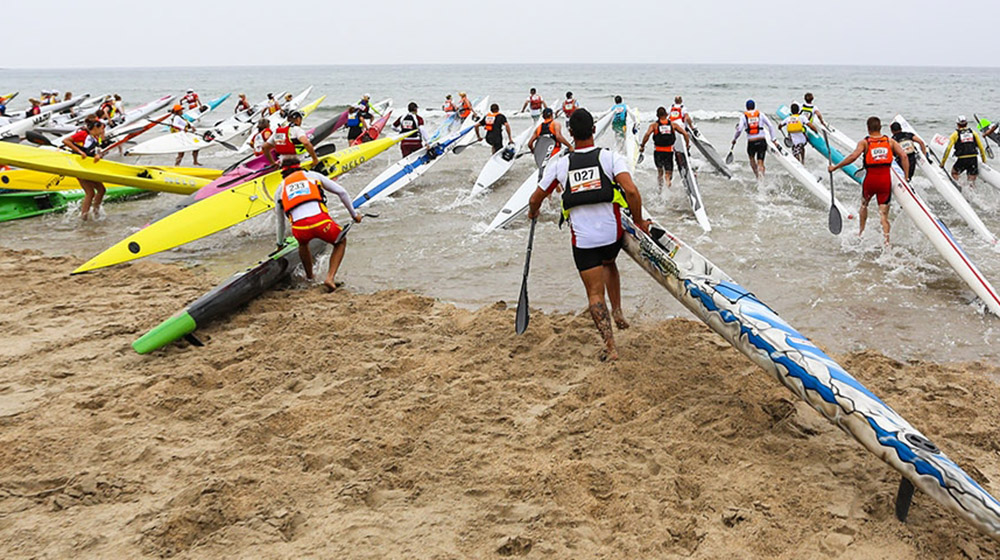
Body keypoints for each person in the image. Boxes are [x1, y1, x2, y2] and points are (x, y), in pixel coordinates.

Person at [527, 108, 649, 361]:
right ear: (594, 130)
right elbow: (632, 192)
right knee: (609, 263)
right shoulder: (610, 158)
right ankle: (618, 311)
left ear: (570, 133)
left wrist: (533, 213)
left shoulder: (560, 164)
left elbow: (536, 198)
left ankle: (611, 347)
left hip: (584, 243)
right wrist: (639, 222)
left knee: (595, 293)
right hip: (611, 238)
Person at [273, 157, 362, 292]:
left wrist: (279, 244)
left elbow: (280, 221)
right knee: (340, 242)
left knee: (303, 244)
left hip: (300, 228)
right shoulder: (312, 176)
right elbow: (341, 192)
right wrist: (354, 215)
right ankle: (330, 278)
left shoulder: (280, 189)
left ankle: (310, 277)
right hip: (321, 222)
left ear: (283, 173)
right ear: (300, 167)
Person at [829, 117, 908, 246]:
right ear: (880, 127)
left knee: (864, 205)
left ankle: (861, 231)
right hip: (884, 182)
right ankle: (887, 242)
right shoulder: (890, 141)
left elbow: (853, 157)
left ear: (868, 128)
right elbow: (904, 156)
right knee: (883, 214)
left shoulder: (865, 143)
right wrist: (905, 177)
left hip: (870, 181)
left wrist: (835, 167)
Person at [62, 120, 107, 220]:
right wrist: (79, 151)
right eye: (101, 129)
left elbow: (95, 150)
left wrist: (98, 155)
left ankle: (95, 213)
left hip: (88, 167)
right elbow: (65, 141)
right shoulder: (83, 134)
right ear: (95, 127)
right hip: (79, 167)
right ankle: (85, 217)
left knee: (101, 190)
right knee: (90, 192)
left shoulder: (95, 137)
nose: (102, 131)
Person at [639, 106, 690, 187]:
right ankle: (668, 186)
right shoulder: (673, 125)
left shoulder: (654, 125)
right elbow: (685, 134)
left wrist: (642, 146)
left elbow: (647, 135)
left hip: (658, 152)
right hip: (668, 152)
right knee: (668, 173)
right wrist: (687, 146)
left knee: (660, 172)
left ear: (657, 115)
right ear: (667, 114)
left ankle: (660, 189)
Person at [731, 99, 779, 178]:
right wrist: (773, 139)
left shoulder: (743, 116)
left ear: (746, 107)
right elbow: (770, 125)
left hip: (751, 142)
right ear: (754, 107)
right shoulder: (761, 114)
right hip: (761, 140)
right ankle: (762, 180)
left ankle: (757, 176)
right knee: (760, 162)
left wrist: (735, 139)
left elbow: (739, 129)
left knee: (752, 160)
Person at [940, 116, 987, 187]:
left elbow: (948, 149)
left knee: (954, 173)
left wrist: (942, 163)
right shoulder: (974, 133)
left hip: (962, 160)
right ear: (967, 124)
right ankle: (972, 194)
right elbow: (981, 148)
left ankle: (962, 185)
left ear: (957, 124)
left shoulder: (955, 134)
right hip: (973, 159)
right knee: (971, 182)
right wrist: (984, 161)